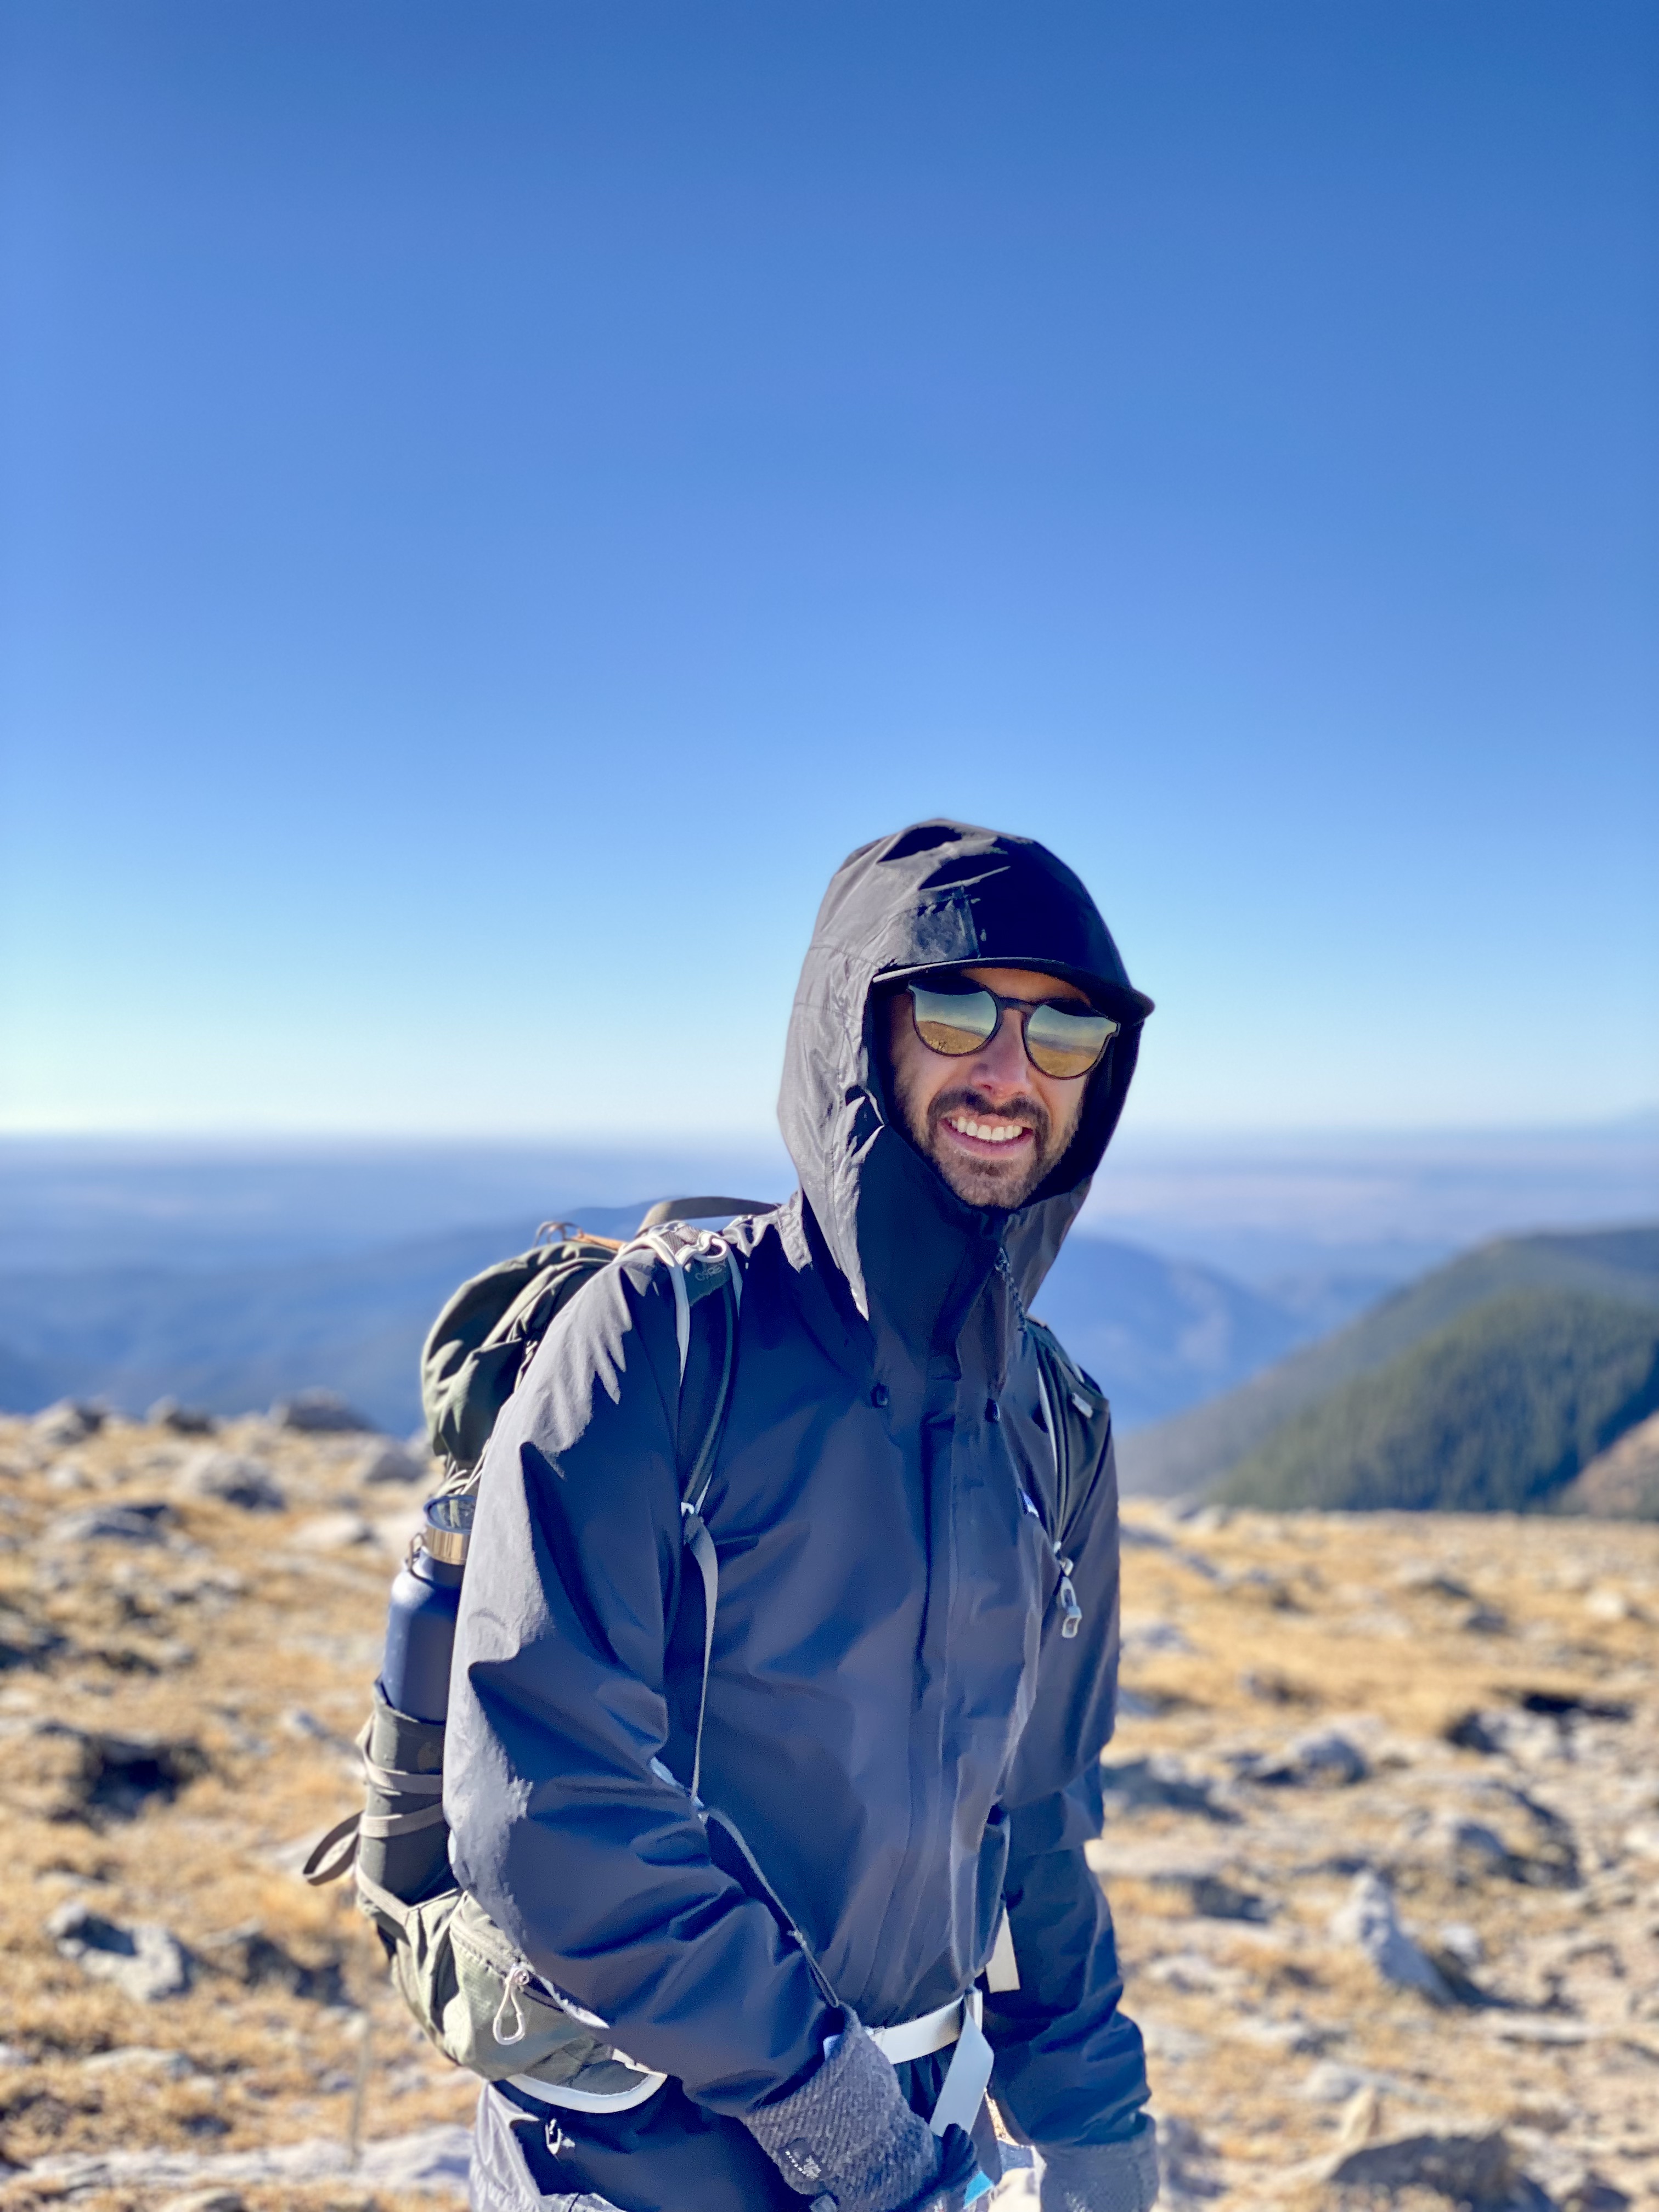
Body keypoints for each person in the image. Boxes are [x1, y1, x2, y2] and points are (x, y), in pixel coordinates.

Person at [449, 820, 1159, 2212]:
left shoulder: (1056, 1418)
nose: (1010, 1072)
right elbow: (543, 1797)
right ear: (860, 1028)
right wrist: (837, 2118)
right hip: (633, 2161)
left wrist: (1100, 2140)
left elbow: (1040, 1821)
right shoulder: (662, 1342)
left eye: (1065, 1032)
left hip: (918, 2146)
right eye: (958, 1009)